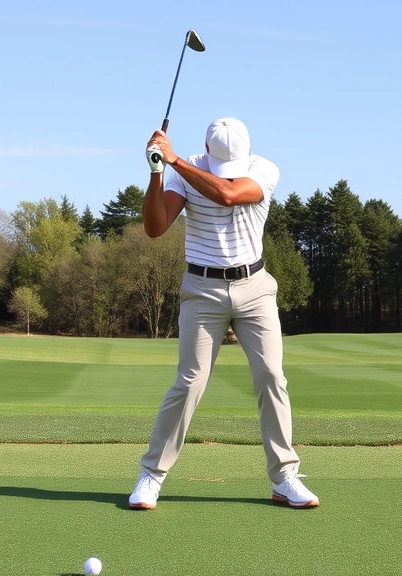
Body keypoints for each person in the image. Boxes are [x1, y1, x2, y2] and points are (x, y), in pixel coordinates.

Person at [129, 118, 319, 509]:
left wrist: (175, 160)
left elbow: (231, 196)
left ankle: (285, 478)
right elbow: (155, 227)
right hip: (202, 289)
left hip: (255, 288)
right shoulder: (184, 172)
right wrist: (156, 173)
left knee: (271, 377)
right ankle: (151, 475)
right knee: (189, 382)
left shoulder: (263, 169)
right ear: (207, 150)